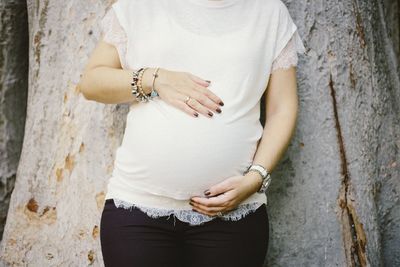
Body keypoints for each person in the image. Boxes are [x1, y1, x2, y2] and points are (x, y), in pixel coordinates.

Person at [78, 0, 306, 266]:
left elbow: (282, 107)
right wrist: (155, 78)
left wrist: (257, 177)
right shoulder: (141, 5)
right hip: (138, 211)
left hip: (234, 213)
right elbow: (91, 82)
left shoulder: (268, 11)